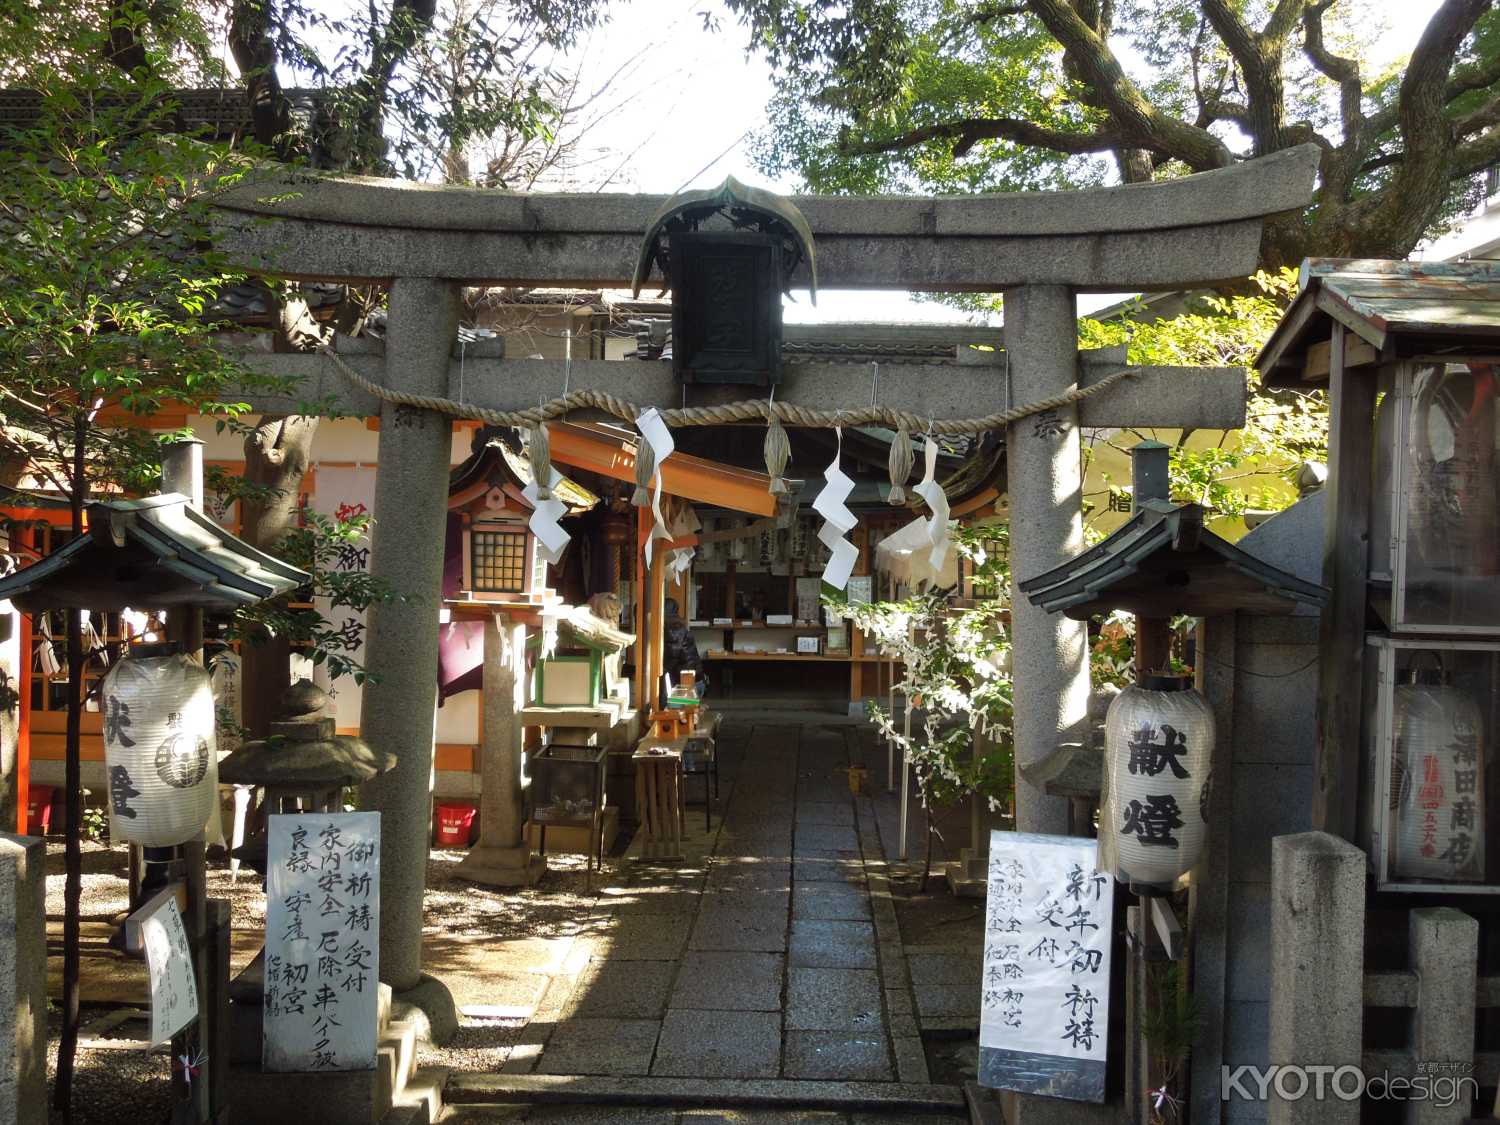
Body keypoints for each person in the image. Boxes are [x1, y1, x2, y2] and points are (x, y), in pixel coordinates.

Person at [661, 597, 704, 694]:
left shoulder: (674, 629)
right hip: (695, 680)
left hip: (688, 683)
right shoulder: (678, 625)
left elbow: (671, 658)